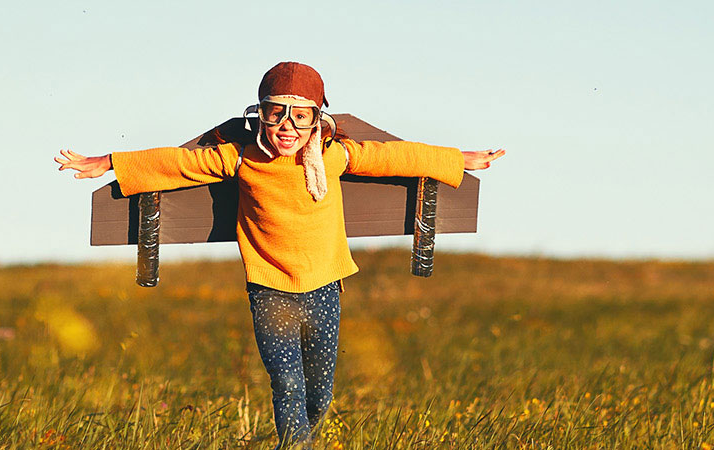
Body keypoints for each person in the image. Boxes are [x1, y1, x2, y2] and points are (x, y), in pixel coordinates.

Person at [54, 61, 505, 448]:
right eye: (276, 115)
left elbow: (395, 158)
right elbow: (176, 163)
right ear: (261, 117)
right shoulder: (241, 158)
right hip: (269, 290)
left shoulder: (334, 157)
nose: (287, 127)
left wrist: (457, 159)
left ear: (316, 122)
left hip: (324, 285)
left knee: (320, 393)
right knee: (287, 381)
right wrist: (109, 161)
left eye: (299, 117)